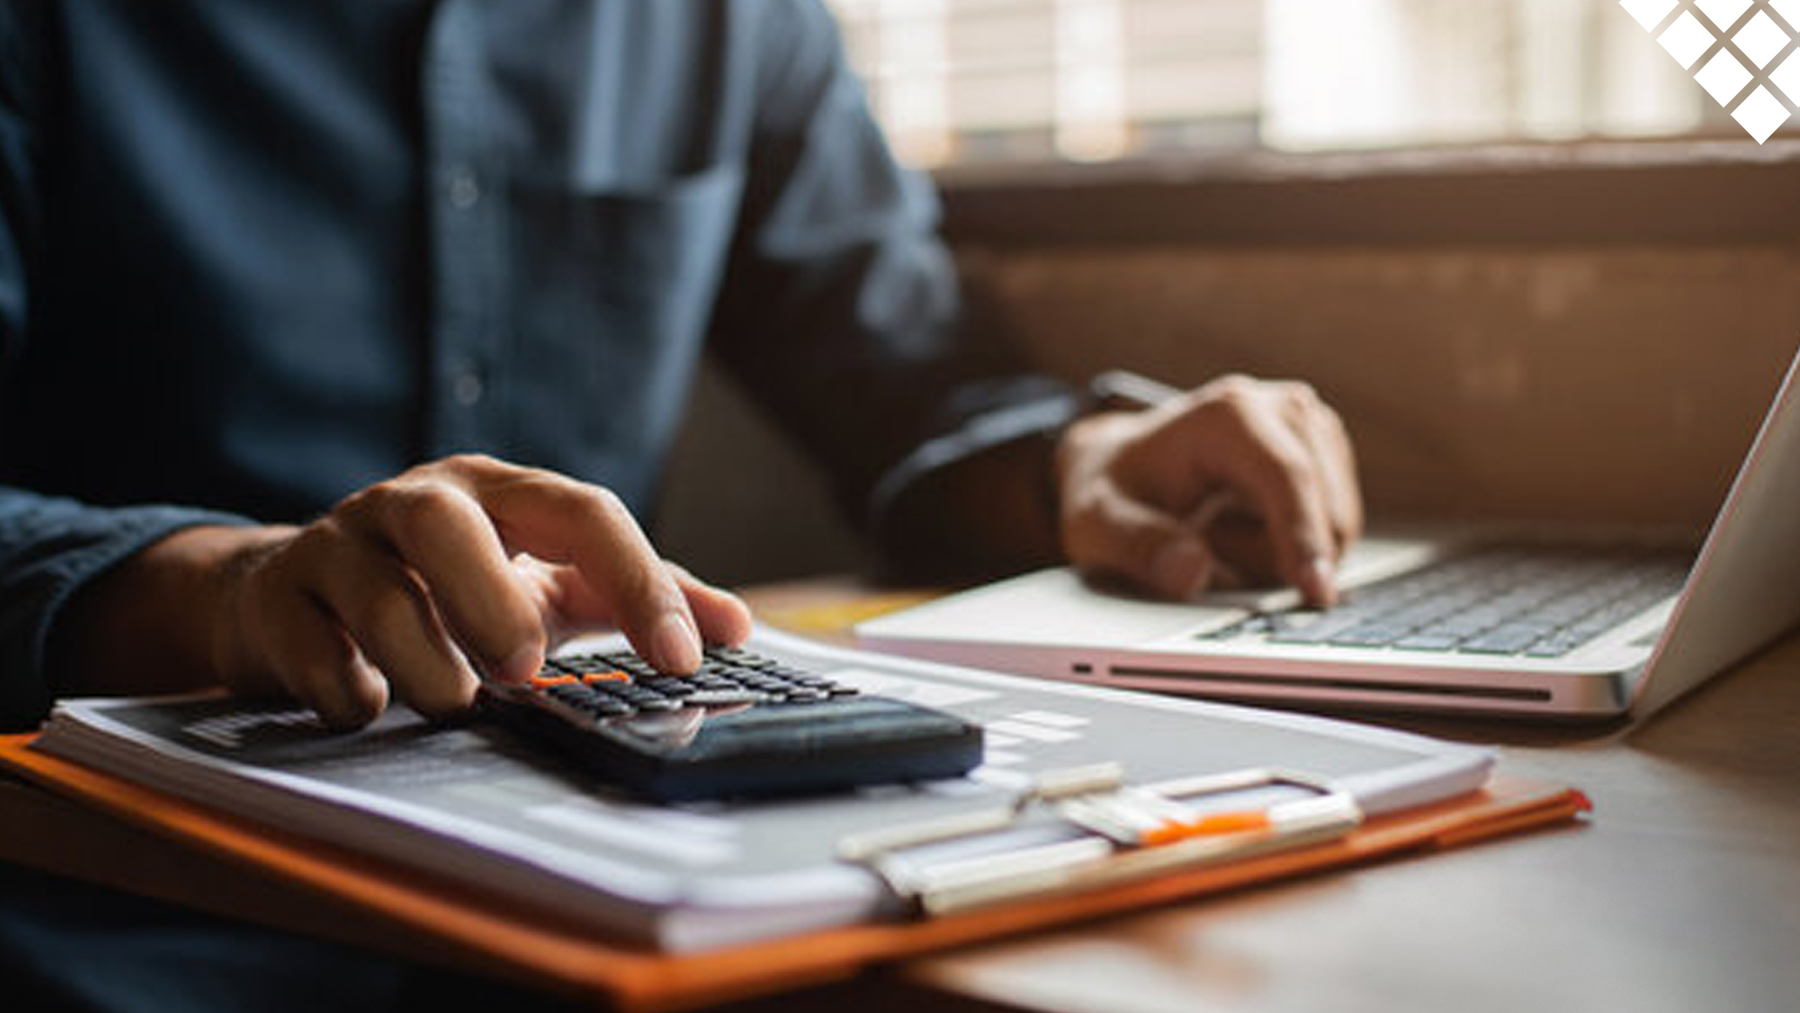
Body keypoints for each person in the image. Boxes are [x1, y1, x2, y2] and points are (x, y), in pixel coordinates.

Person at [0, 1, 1358, 1006]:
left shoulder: (725, 19)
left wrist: (1080, 459)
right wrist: (220, 583)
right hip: (129, 898)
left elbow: (905, 374)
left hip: (639, 873)